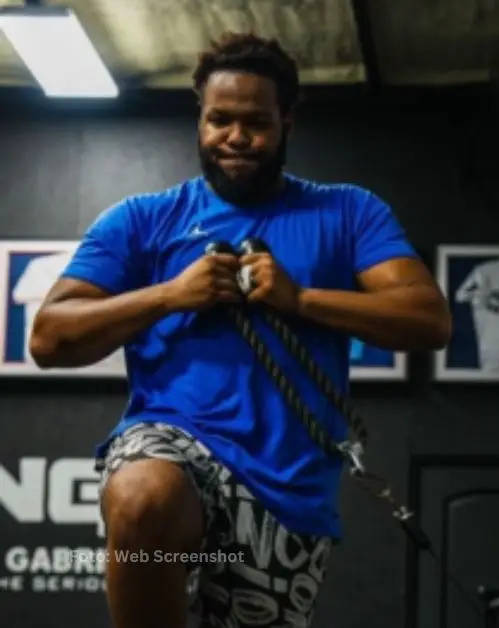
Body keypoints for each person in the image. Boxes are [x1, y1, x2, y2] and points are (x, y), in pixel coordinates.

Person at [29, 33, 452, 628]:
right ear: (199, 121)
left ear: (287, 123)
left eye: (255, 122)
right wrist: (171, 294)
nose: (235, 137)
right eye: (218, 120)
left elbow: (427, 319)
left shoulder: (348, 212)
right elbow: (49, 339)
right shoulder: (142, 221)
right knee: (141, 495)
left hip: (288, 489)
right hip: (177, 438)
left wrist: (300, 298)